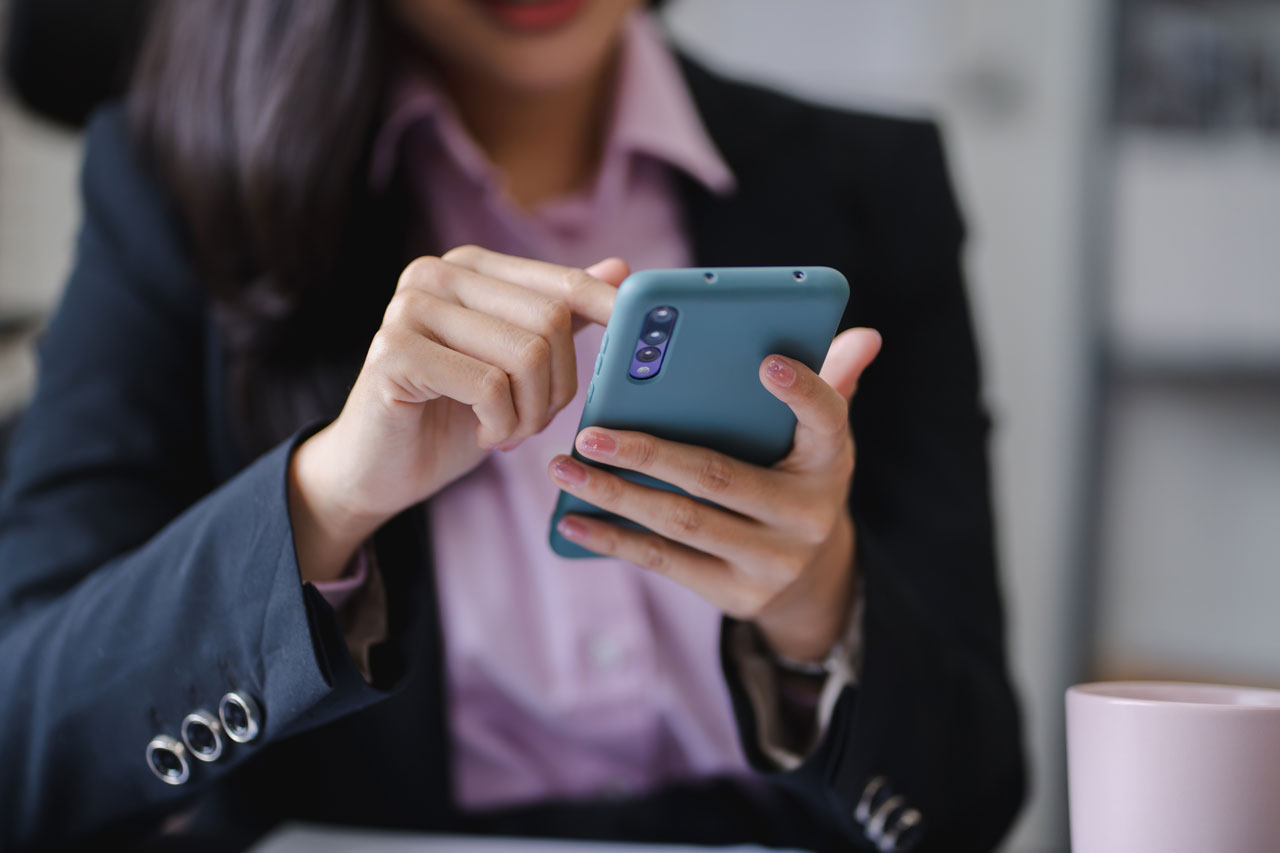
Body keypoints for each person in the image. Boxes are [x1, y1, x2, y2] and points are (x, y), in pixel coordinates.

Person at [0, 0, 1025, 849]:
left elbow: (969, 801)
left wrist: (818, 608)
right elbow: (23, 749)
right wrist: (328, 497)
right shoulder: (174, 188)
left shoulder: (872, 185)